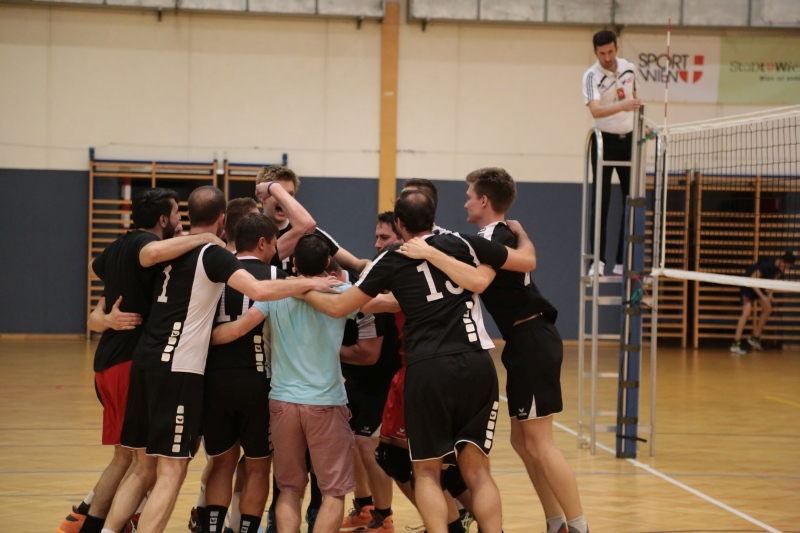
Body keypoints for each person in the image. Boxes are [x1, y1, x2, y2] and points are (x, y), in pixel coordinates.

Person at [97, 186, 336, 533]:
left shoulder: (165, 249)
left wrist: (101, 318)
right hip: (182, 367)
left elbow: (121, 265)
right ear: (222, 220)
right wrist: (305, 284)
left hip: (146, 360)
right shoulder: (213, 254)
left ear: (187, 216)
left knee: (142, 467)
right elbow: (259, 290)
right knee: (173, 471)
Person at [301, 190, 537, 533]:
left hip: (428, 367)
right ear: (434, 216)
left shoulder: (392, 258)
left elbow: (341, 307)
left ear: (399, 223)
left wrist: (303, 290)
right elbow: (526, 261)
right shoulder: (463, 243)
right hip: (476, 361)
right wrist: (523, 235)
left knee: (426, 471)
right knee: (477, 471)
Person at [412, 167, 590, 533]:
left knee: (539, 443)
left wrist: (429, 248)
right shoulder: (496, 235)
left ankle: (578, 525)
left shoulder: (494, 235)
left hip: (534, 339)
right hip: (522, 341)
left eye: (468, 196)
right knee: (522, 442)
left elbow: (485, 276)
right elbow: (518, 255)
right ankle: (556, 522)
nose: (464, 202)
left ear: (483, 200)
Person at [57, 188, 224, 533]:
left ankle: (94, 518)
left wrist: (103, 318)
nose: (180, 219)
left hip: (109, 361)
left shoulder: (120, 245)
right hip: (129, 361)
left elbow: (93, 271)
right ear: (163, 219)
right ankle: (89, 524)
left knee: (132, 458)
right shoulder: (145, 246)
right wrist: (205, 237)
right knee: (138, 462)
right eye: (176, 214)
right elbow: (151, 252)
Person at [211, 233, 359, 533]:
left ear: (293, 264)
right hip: (326, 402)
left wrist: (199, 339)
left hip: (282, 404)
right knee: (333, 492)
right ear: (327, 264)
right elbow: (386, 303)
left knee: (289, 489)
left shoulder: (275, 295)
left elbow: (237, 330)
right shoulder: (341, 292)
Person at [202, 213, 287, 533]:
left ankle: (213, 528)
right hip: (258, 380)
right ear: (262, 242)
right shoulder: (276, 276)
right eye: (274, 244)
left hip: (215, 379)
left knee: (221, 463)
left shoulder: (214, 273)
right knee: (258, 467)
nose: (275, 250)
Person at [582, 29, 641, 277]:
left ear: (616, 48)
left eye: (610, 52)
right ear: (596, 52)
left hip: (628, 141)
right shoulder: (591, 76)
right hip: (603, 141)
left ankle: (620, 261)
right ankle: (597, 261)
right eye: (602, 53)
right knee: (601, 202)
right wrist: (622, 106)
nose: (607, 57)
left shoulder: (629, 68)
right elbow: (595, 110)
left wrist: (641, 123)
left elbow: (634, 98)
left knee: (630, 201)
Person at [731, 252, 795, 354]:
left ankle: (755, 338)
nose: (786, 269)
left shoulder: (780, 268)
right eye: (786, 266)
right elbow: (752, 280)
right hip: (748, 285)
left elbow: (773, 281)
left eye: (788, 267)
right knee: (747, 312)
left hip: (759, 286)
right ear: (781, 261)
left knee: (768, 309)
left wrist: (770, 294)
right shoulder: (767, 265)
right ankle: (735, 344)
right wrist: (763, 297)